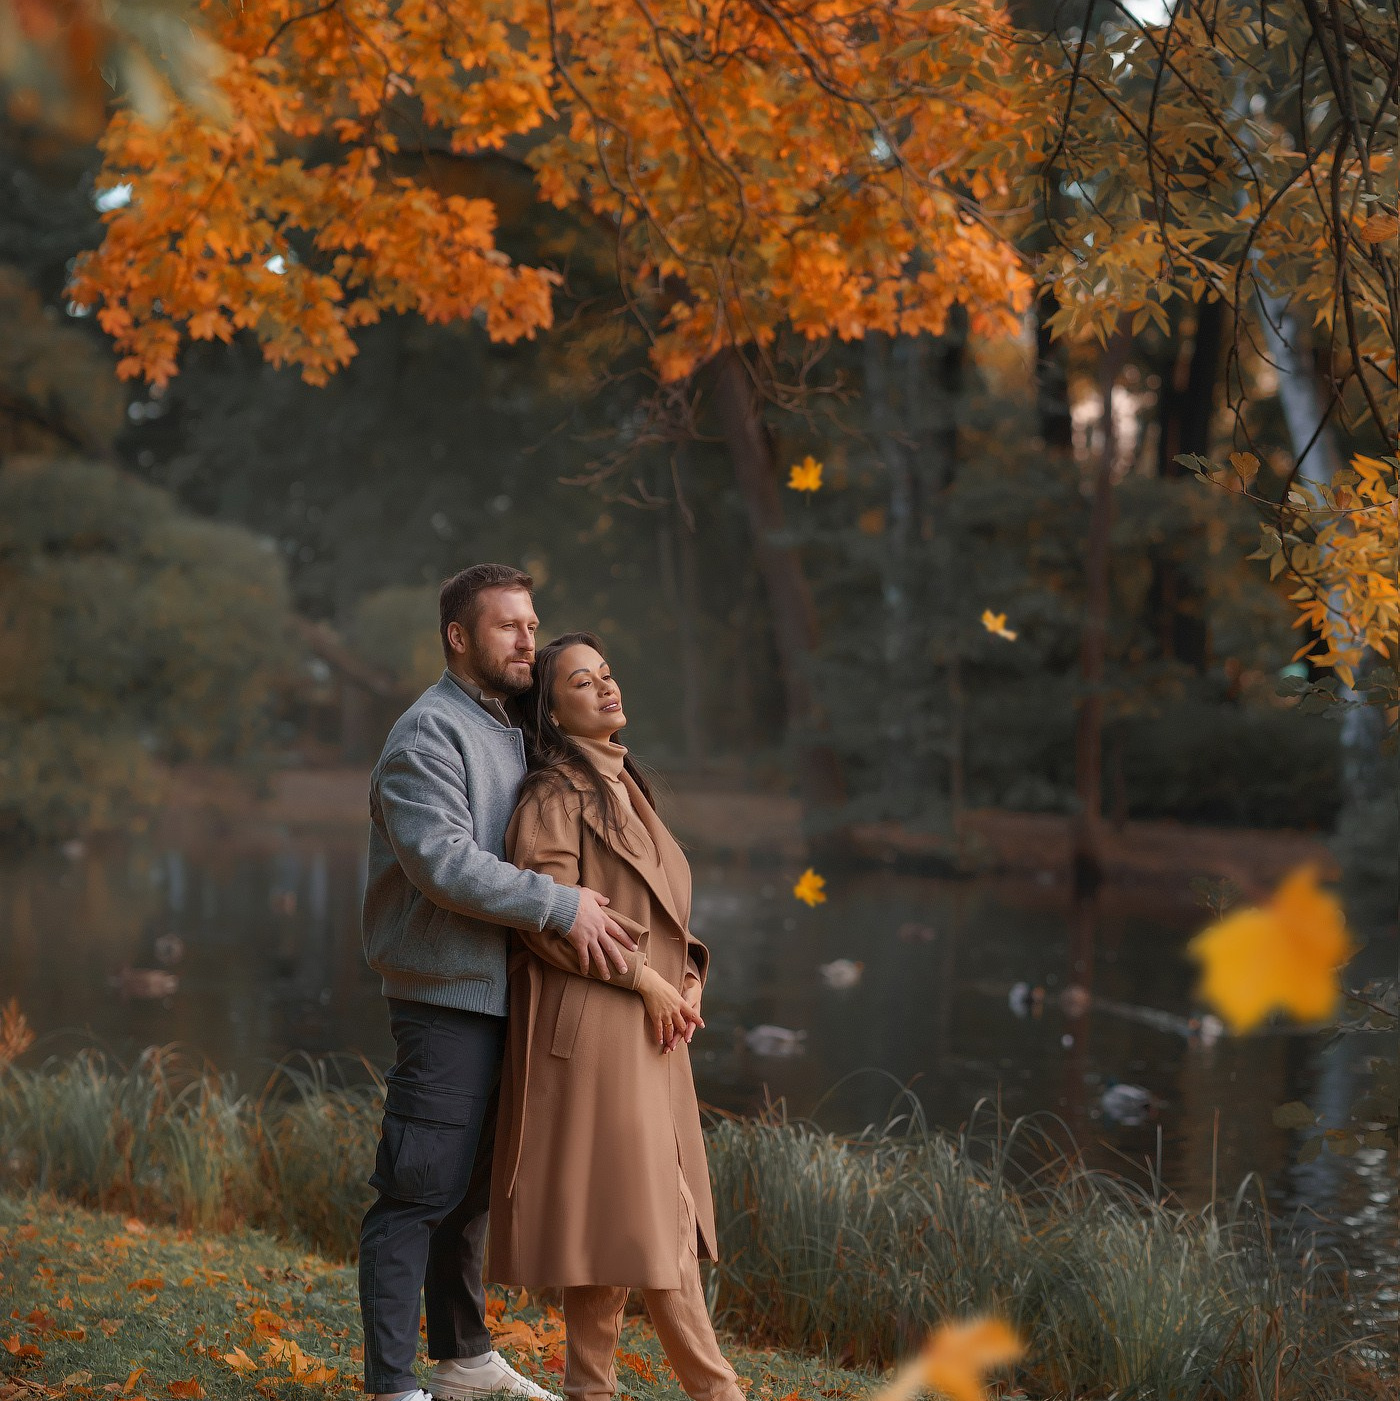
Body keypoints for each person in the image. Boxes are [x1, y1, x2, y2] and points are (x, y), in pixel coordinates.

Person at [359, 568, 639, 1401]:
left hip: (510, 998)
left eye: (532, 623)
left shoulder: (512, 729)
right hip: (445, 995)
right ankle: (390, 1384)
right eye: (509, 627)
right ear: (459, 636)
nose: (529, 640)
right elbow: (443, 863)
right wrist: (560, 904)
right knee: (417, 1188)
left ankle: (465, 1359)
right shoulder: (427, 736)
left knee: (472, 1193)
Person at [489, 632, 745, 1401]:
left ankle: (587, 1391)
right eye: (580, 681)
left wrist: (690, 976)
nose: (604, 687)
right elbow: (545, 918)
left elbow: (663, 913)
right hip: (597, 1029)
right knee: (654, 1223)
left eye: (605, 673)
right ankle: (721, 1393)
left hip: (654, 1030)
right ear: (552, 709)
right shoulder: (553, 795)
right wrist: (645, 981)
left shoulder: (627, 782)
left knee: (617, 1231)